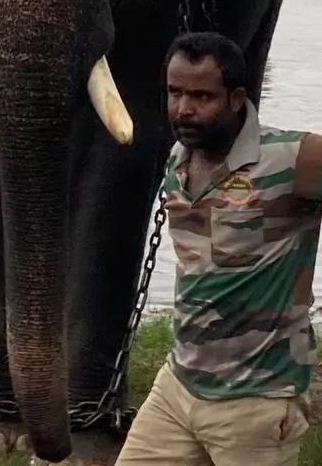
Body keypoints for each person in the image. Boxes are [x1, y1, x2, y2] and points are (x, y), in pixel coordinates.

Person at [115, 30, 322, 465]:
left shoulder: (290, 159)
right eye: (175, 92)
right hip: (178, 385)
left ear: (236, 98)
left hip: (257, 400)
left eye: (202, 96)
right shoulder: (179, 158)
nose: (184, 109)